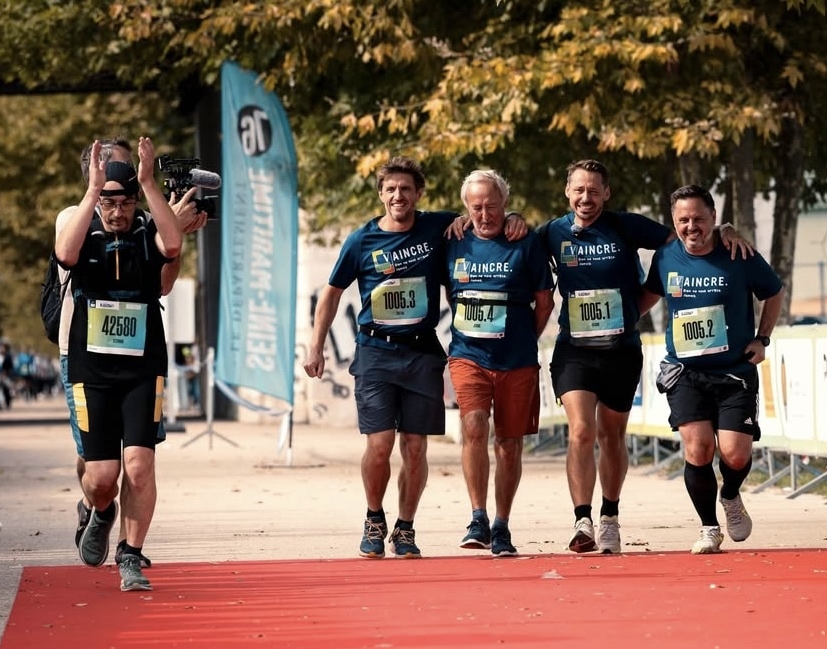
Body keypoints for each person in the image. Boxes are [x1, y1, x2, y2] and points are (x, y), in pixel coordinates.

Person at [303, 157, 526, 559]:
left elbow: (483, 216)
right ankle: (374, 518)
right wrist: (316, 345)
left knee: (415, 448)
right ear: (381, 194)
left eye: (406, 189)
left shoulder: (437, 227)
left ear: (418, 193)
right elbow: (331, 293)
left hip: (422, 352)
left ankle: (405, 528)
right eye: (390, 189)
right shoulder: (362, 240)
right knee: (379, 443)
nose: (398, 196)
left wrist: (516, 217)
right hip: (375, 351)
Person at [537, 159, 753, 554]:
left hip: (621, 350)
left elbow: (684, 239)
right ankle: (582, 519)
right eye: (579, 190)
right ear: (567, 193)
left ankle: (610, 517)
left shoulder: (625, 226)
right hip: (575, 351)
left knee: (611, 434)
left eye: (594, 190)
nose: (586, 198)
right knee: (582, 430)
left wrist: (723, 231)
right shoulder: (551, 233)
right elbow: (512, 240)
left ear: (607, 193)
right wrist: (514, 216)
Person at [56, 138, 206, 573]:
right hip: (90, 366)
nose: (116, 210)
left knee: (138, 464)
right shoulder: (78, 223)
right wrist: (92, 192)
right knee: (103, 478)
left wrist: (149, 183)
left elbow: (171, 254)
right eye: (108, 200)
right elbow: (65, 255)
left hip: (142, 366)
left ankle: (131, 553)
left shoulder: (147, 227)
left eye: (125, 201)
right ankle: (99, 510)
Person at [639, 184, 784, 554]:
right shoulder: (666, 257)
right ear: (674, 221)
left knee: (735, 454)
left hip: (734, 371)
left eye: (699, 219)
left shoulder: (738, 252)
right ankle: (708, 528)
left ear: (714, 219)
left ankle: (731, 495)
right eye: (683, 220)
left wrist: (762, 338)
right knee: (698, 448)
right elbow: (648, 297)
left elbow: (773, 292)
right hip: (685, 372)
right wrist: (616, 325)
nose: (691, 227)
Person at [446, 170, 554, 557]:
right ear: (466, 208)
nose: (484, 214)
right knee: (474, 425)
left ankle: (502, 524)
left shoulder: (524, 242)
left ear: (505, 204)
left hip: (517, 359)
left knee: (508, 444)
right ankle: (477, 516)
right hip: (468, 355)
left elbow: (545, 302)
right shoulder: (454, 239)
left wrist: (526, 338)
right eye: (476, 207)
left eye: (492, 206)